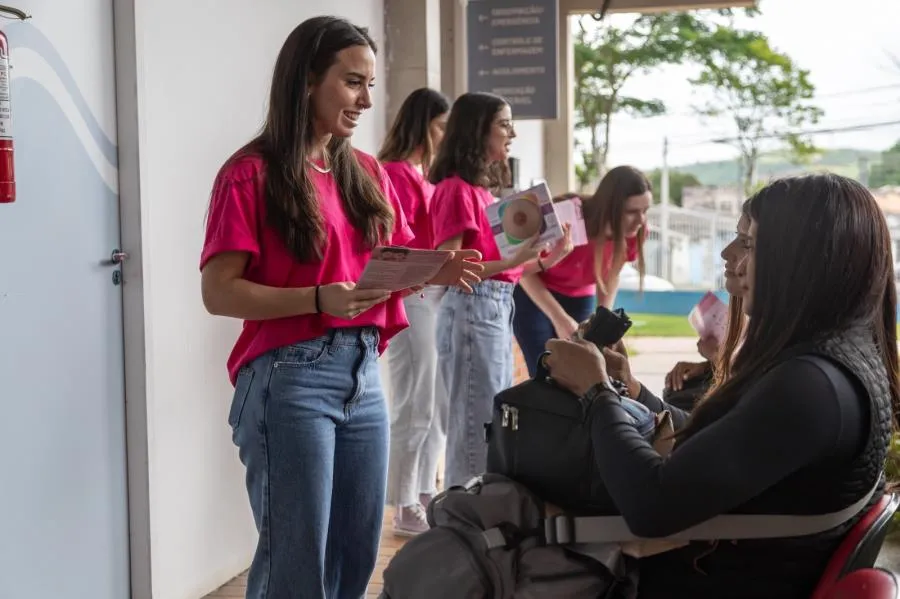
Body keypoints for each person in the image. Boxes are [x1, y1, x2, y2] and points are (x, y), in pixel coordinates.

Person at [199, 17, 482, 599]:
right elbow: (218, 291)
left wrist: (431, 268)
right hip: (288, 377)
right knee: (297, 569)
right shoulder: (250, 173)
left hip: (362, 376)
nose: (367, 100)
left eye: (370, 84)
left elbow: (388, 264)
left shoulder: (365, 173)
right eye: (353, 82)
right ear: (306, 80)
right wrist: (316, 298)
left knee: (355, 559)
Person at [545, 173, 897, 599]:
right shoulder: (838, 361)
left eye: (748, 243)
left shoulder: (811, 386)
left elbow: (650, 507)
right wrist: (633, 390)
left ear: (802, 261)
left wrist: (596, 390)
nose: (728, 254)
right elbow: (729, 446)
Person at [429, 91, 573, 488]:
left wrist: (546, 259)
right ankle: (464, 525)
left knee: (487, 420)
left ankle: (474, 518)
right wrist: (514, 261)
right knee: (476, 426)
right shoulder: (456, 190)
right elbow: (447, 267)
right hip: (473, 309)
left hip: (491, 307)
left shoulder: (480, 191)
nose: (512, 133)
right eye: (504, 124)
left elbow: (502, 272)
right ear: (478, 130)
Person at [377, 87, 451, 535]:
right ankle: (403, 502)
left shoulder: (425, 178)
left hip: (433, 295)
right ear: (422, 125)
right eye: (441, 126)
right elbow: (392, 245)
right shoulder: (396, 174)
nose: (445, 136)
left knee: (436, 404)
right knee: (415, 401)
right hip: (411, 296)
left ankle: (423, 492)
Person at [513, 166, 651, 377]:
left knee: (582, 368)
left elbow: (610, 274)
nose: (641, 220)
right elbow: (523, 270)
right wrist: (559, 318)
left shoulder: (636, 231)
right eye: (632, 212)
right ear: (611, 207)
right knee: (544, 368)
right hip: (535, 293)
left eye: (645, 211)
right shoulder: (567, 215)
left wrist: (603, 321)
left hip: (579, 295)